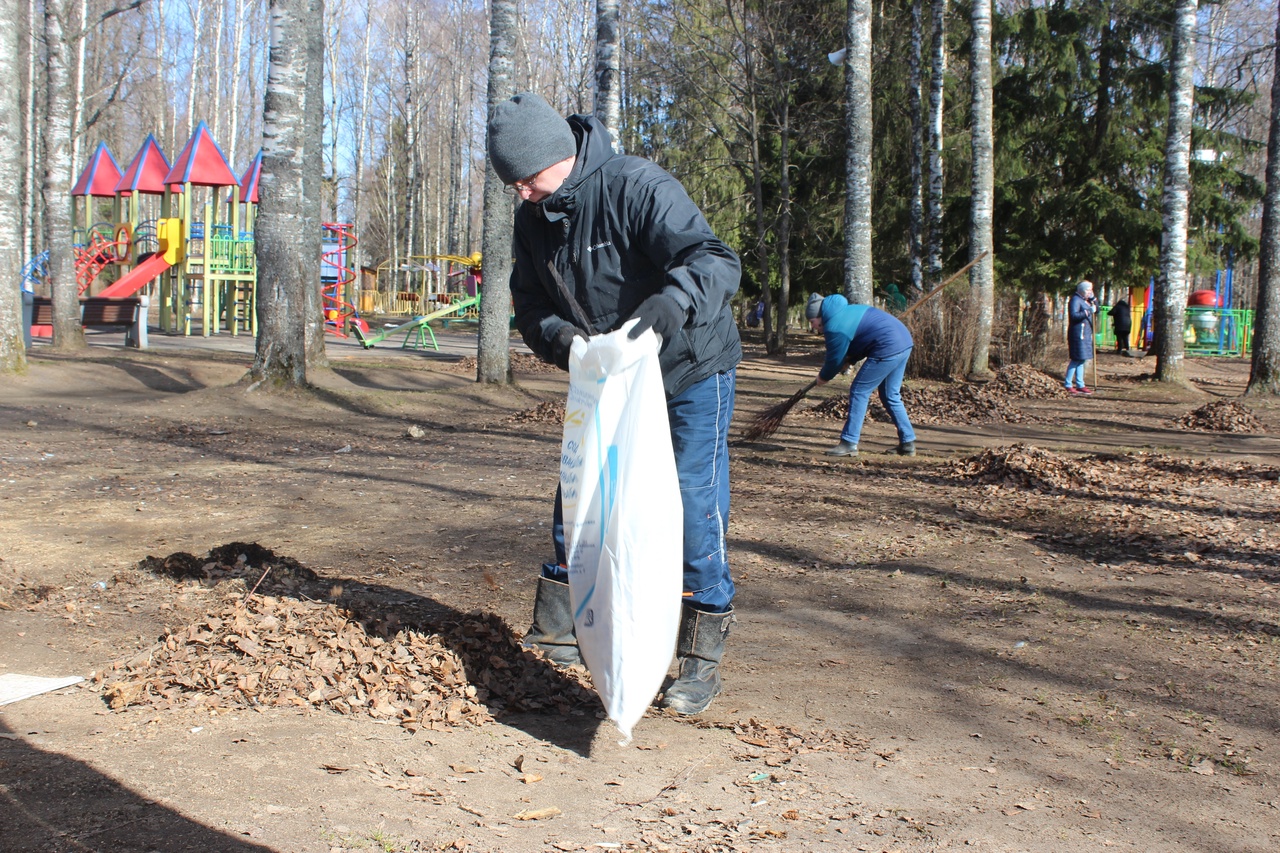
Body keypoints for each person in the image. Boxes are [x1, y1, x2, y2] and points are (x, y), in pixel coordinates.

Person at [487, 92, 742, 716]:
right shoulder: (534, 218)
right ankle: (560, 632)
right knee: (580, 498)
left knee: (688, 504)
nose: (521, 193)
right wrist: (561, 339)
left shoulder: (636, 186)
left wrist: (671, 304)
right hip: (608, 378)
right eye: (513, 184)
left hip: (687, 368)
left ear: (558, 155)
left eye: (527, 179)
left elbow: (712, 259)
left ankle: (699, 655)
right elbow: (530, 306)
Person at [805, 292, 916, 458]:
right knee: (890, 394)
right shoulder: (846, 311)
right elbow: (861, 339)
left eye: (812, 322)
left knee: (859, 390)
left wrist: (824, 377)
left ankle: (849, 442)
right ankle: (908, 443)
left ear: (820, 317)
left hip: (887, 346)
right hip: (903, 341)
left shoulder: (834, 326)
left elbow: (834, 360)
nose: (813, 326)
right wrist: (850, 359)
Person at [1065, 280, 1097, 393]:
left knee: (1082, 359)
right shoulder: (1075, 300)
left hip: (1085, 334)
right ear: (1082, 290)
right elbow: (1074, 316)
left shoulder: (1086, 300)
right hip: (1078, 333)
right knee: (1076, 359)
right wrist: (1088, 312)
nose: (1090, 292)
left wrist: (1094, 300)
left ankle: (1080, 383)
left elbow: (1097, 309)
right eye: (1088, 290)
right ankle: (1068, 384)